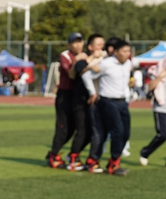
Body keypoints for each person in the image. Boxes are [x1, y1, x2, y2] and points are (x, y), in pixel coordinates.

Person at [86, 39, 132, 176]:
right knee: (118, 131)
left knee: (126, 133)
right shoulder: (106, 64)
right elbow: (87, 75)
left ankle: (114, 161)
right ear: (116, 52)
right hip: (108, 101)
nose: (127, 54)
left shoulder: (128, 64)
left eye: (129, 51)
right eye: (124, 51)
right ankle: (114, 164)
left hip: (123, 102)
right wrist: (93, 92)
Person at [66, 34, 105, 171]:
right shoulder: (82, 58)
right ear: (90, 46)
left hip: (95, 101)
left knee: (91, 132)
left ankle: (75, 155)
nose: (101, 47)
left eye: (102, 44)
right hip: (80, 100)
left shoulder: (104, 59)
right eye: (98, 44)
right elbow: (82, 71)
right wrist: (94, 59)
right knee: (82, 130)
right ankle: (73, 159)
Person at [46, 32, 83, 168]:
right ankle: (53, 156)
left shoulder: (83, 55)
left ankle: (54, 152)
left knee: (73, 128)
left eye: (80, 41)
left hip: (76, 95)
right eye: (75, 42)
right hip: (65, 95)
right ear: (69, 44)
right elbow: (71, 74)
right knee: (63, 127)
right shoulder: (65, 56)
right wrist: (79, 61)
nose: (78, 45)